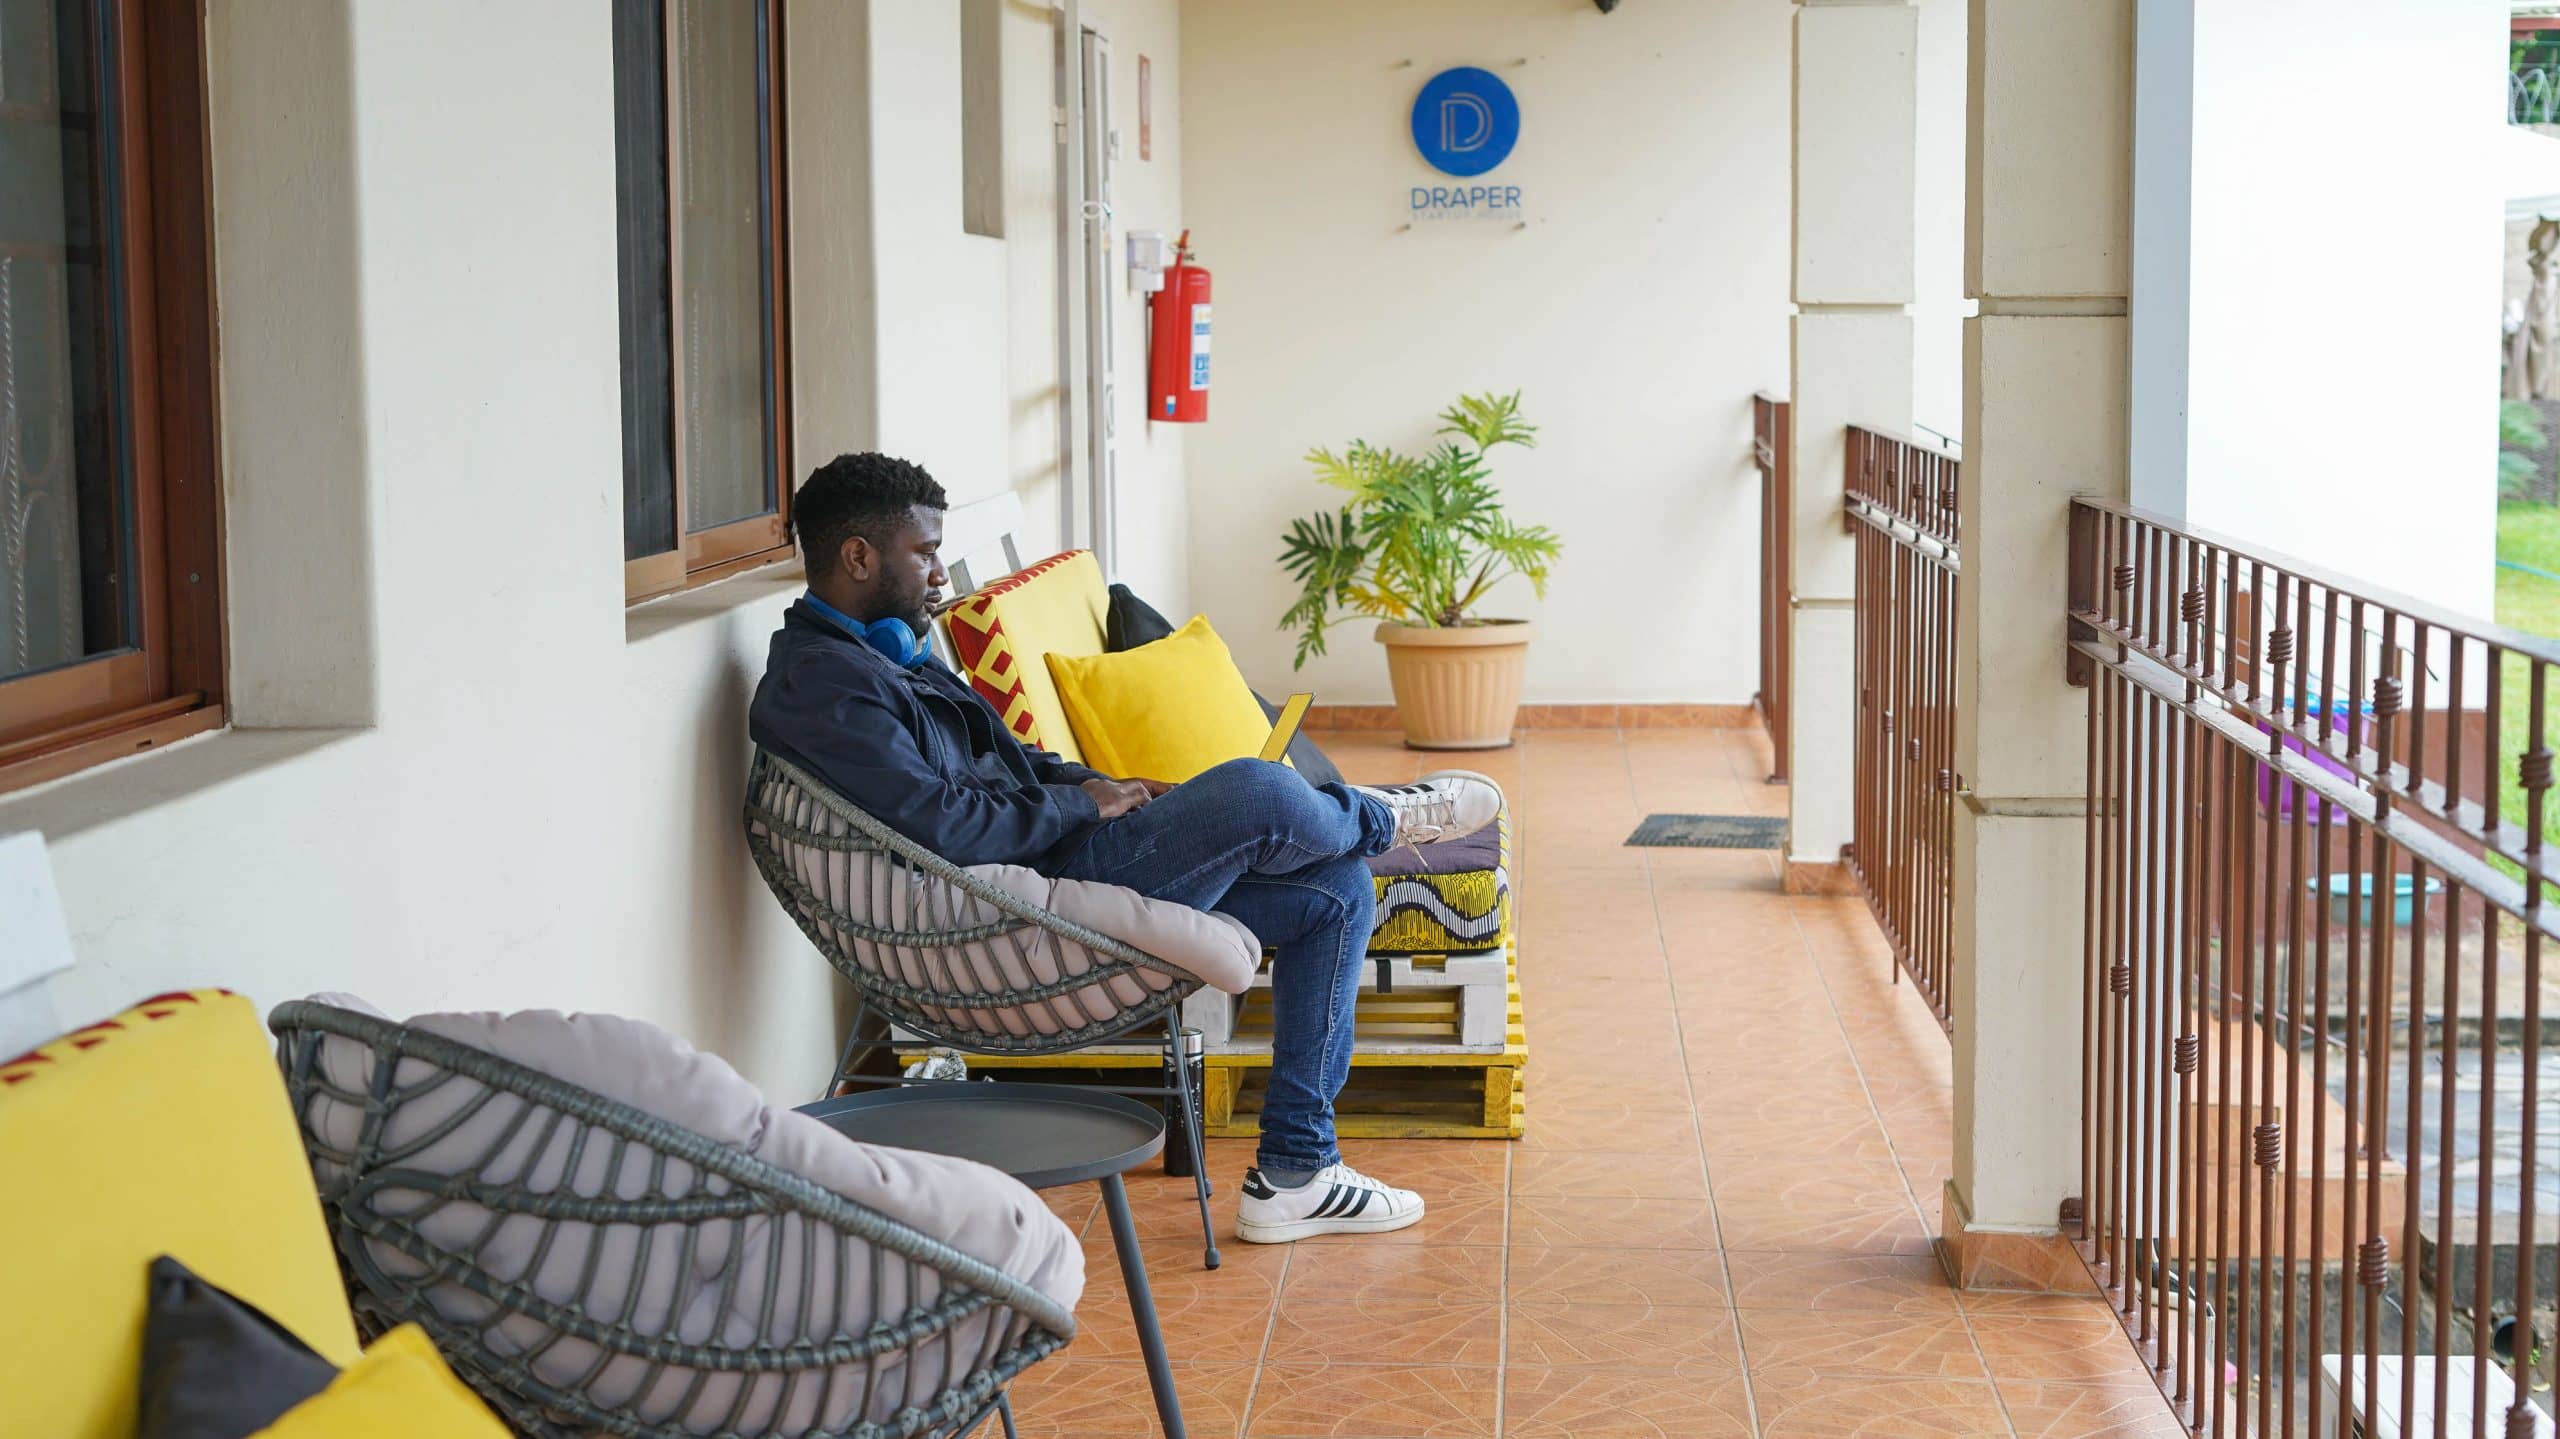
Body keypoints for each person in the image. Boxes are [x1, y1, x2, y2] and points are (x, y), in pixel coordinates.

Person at [748, 453, 1502, 1243]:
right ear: (859, 556)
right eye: (925, 552)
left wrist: (1111, 788)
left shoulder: (889, 653)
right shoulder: (824, 685)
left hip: (1059, 850)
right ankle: (1384, 818)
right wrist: (1081, 805)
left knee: (1339, 890)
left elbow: (1021, 762)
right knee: (1251, 789)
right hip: (1017, 899)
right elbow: (940, 825)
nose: (939, 573)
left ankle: (1296, 1170)